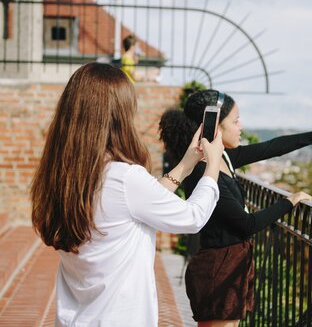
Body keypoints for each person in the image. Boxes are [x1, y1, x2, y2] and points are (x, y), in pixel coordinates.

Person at [30, 63, 224, 327]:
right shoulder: (125, 178)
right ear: (118, 115)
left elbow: (133, 205)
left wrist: (186, 165)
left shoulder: (65, 175)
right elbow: (192, 217)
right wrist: (213, 165)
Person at [159, 89, 312, 327]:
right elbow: (247, 225)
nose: (241, 126)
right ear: (214, 128)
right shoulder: (203, 170)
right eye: (235, 121)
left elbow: (272, 147)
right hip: (217, 269)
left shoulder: (224, 158)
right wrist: (290, 201)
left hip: (232, 264)